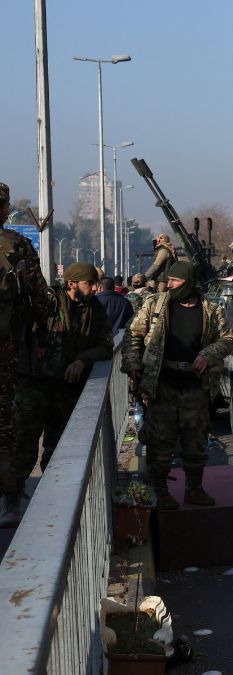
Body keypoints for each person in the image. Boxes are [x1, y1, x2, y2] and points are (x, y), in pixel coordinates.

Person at [122, 261, 233, 510]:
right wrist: (133, 363)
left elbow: (227, 339)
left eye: (175, 281)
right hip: (162, 383)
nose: (169, 285)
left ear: (189, 283)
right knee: (161, 441)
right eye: (168, 280)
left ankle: (194, 489)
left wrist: (208, 354)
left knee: (196, 441)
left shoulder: (210, 310)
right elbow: (133, 334)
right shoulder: (155, 305)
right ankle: (160, 491)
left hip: (195, 386)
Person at [12, 262, 112, 525]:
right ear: (71, 284)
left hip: (65, 390)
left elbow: (105, 346)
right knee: (23, 443)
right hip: (33, 384)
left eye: (95, 284)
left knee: (57, 448)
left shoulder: (95, 310)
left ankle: (51, 499)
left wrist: (82, 359)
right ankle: (11, 500)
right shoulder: (46, 304)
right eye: (89, 284)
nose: (94, 288)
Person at [0, 182, 52, 527]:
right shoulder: (16, 245)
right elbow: (42, 299)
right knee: (8, 426)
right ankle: (12, 499)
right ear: (5, 209)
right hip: (8, 352)